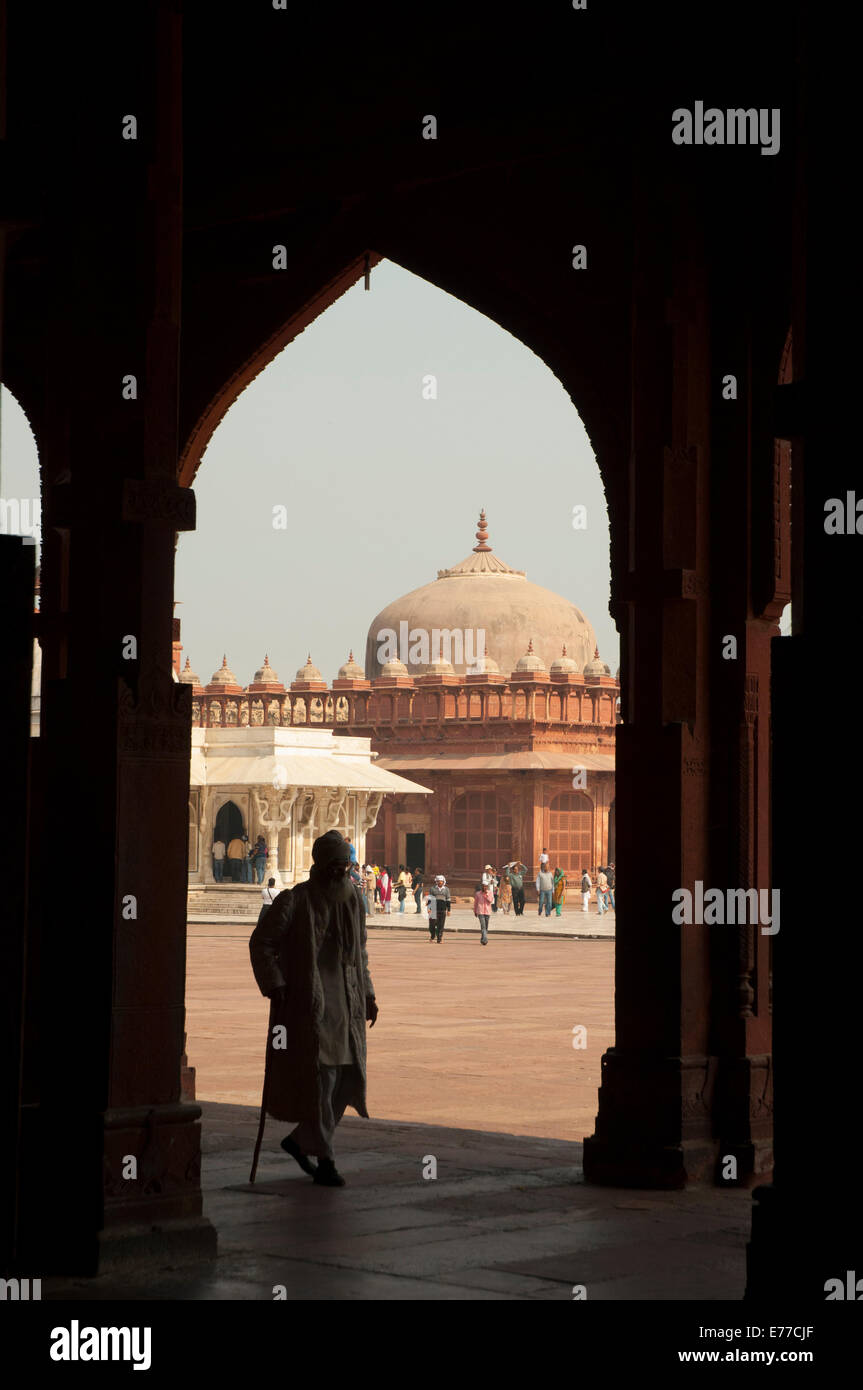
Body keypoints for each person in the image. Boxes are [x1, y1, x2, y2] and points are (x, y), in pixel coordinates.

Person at [249, 829, 378, 1188]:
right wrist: (275, 983)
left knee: (346, 1079)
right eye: (335, 865)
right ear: (319, 865)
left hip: (347, 1002)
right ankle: (325, 1159)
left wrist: (368, 994)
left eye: (345, 865)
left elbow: (361, 953)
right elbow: (262, 942)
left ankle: (302, 1140)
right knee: (323, 1081)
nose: (341, 872)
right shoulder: (295, 900)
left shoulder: (352, 899)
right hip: (311, 1003)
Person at [428, 875, 451, 942]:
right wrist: (429, 908)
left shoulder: (446, 889)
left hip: (442, 909)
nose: (440, 882)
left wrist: (448, 910)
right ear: (436, 881)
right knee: (431, 925)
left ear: (443, 881)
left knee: (440, 925)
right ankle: (433, 934)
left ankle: (439, 938)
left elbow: (448, 900)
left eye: (441, 881)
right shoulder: (432, 889)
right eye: (438, 881)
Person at [473, 880, 493, 945]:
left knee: (486, 926)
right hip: (480, 911)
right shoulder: (478, 893)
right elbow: (475, 903)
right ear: (482, 886)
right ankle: (485, 939)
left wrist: (486, 894)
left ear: (487, 887)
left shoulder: (490, 893)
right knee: (483, 925)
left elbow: (490, 901)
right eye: (483, 886)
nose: (484, 888)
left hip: (487, 912)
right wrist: (475, 911)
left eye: (486, 886)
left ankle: (483, 938)